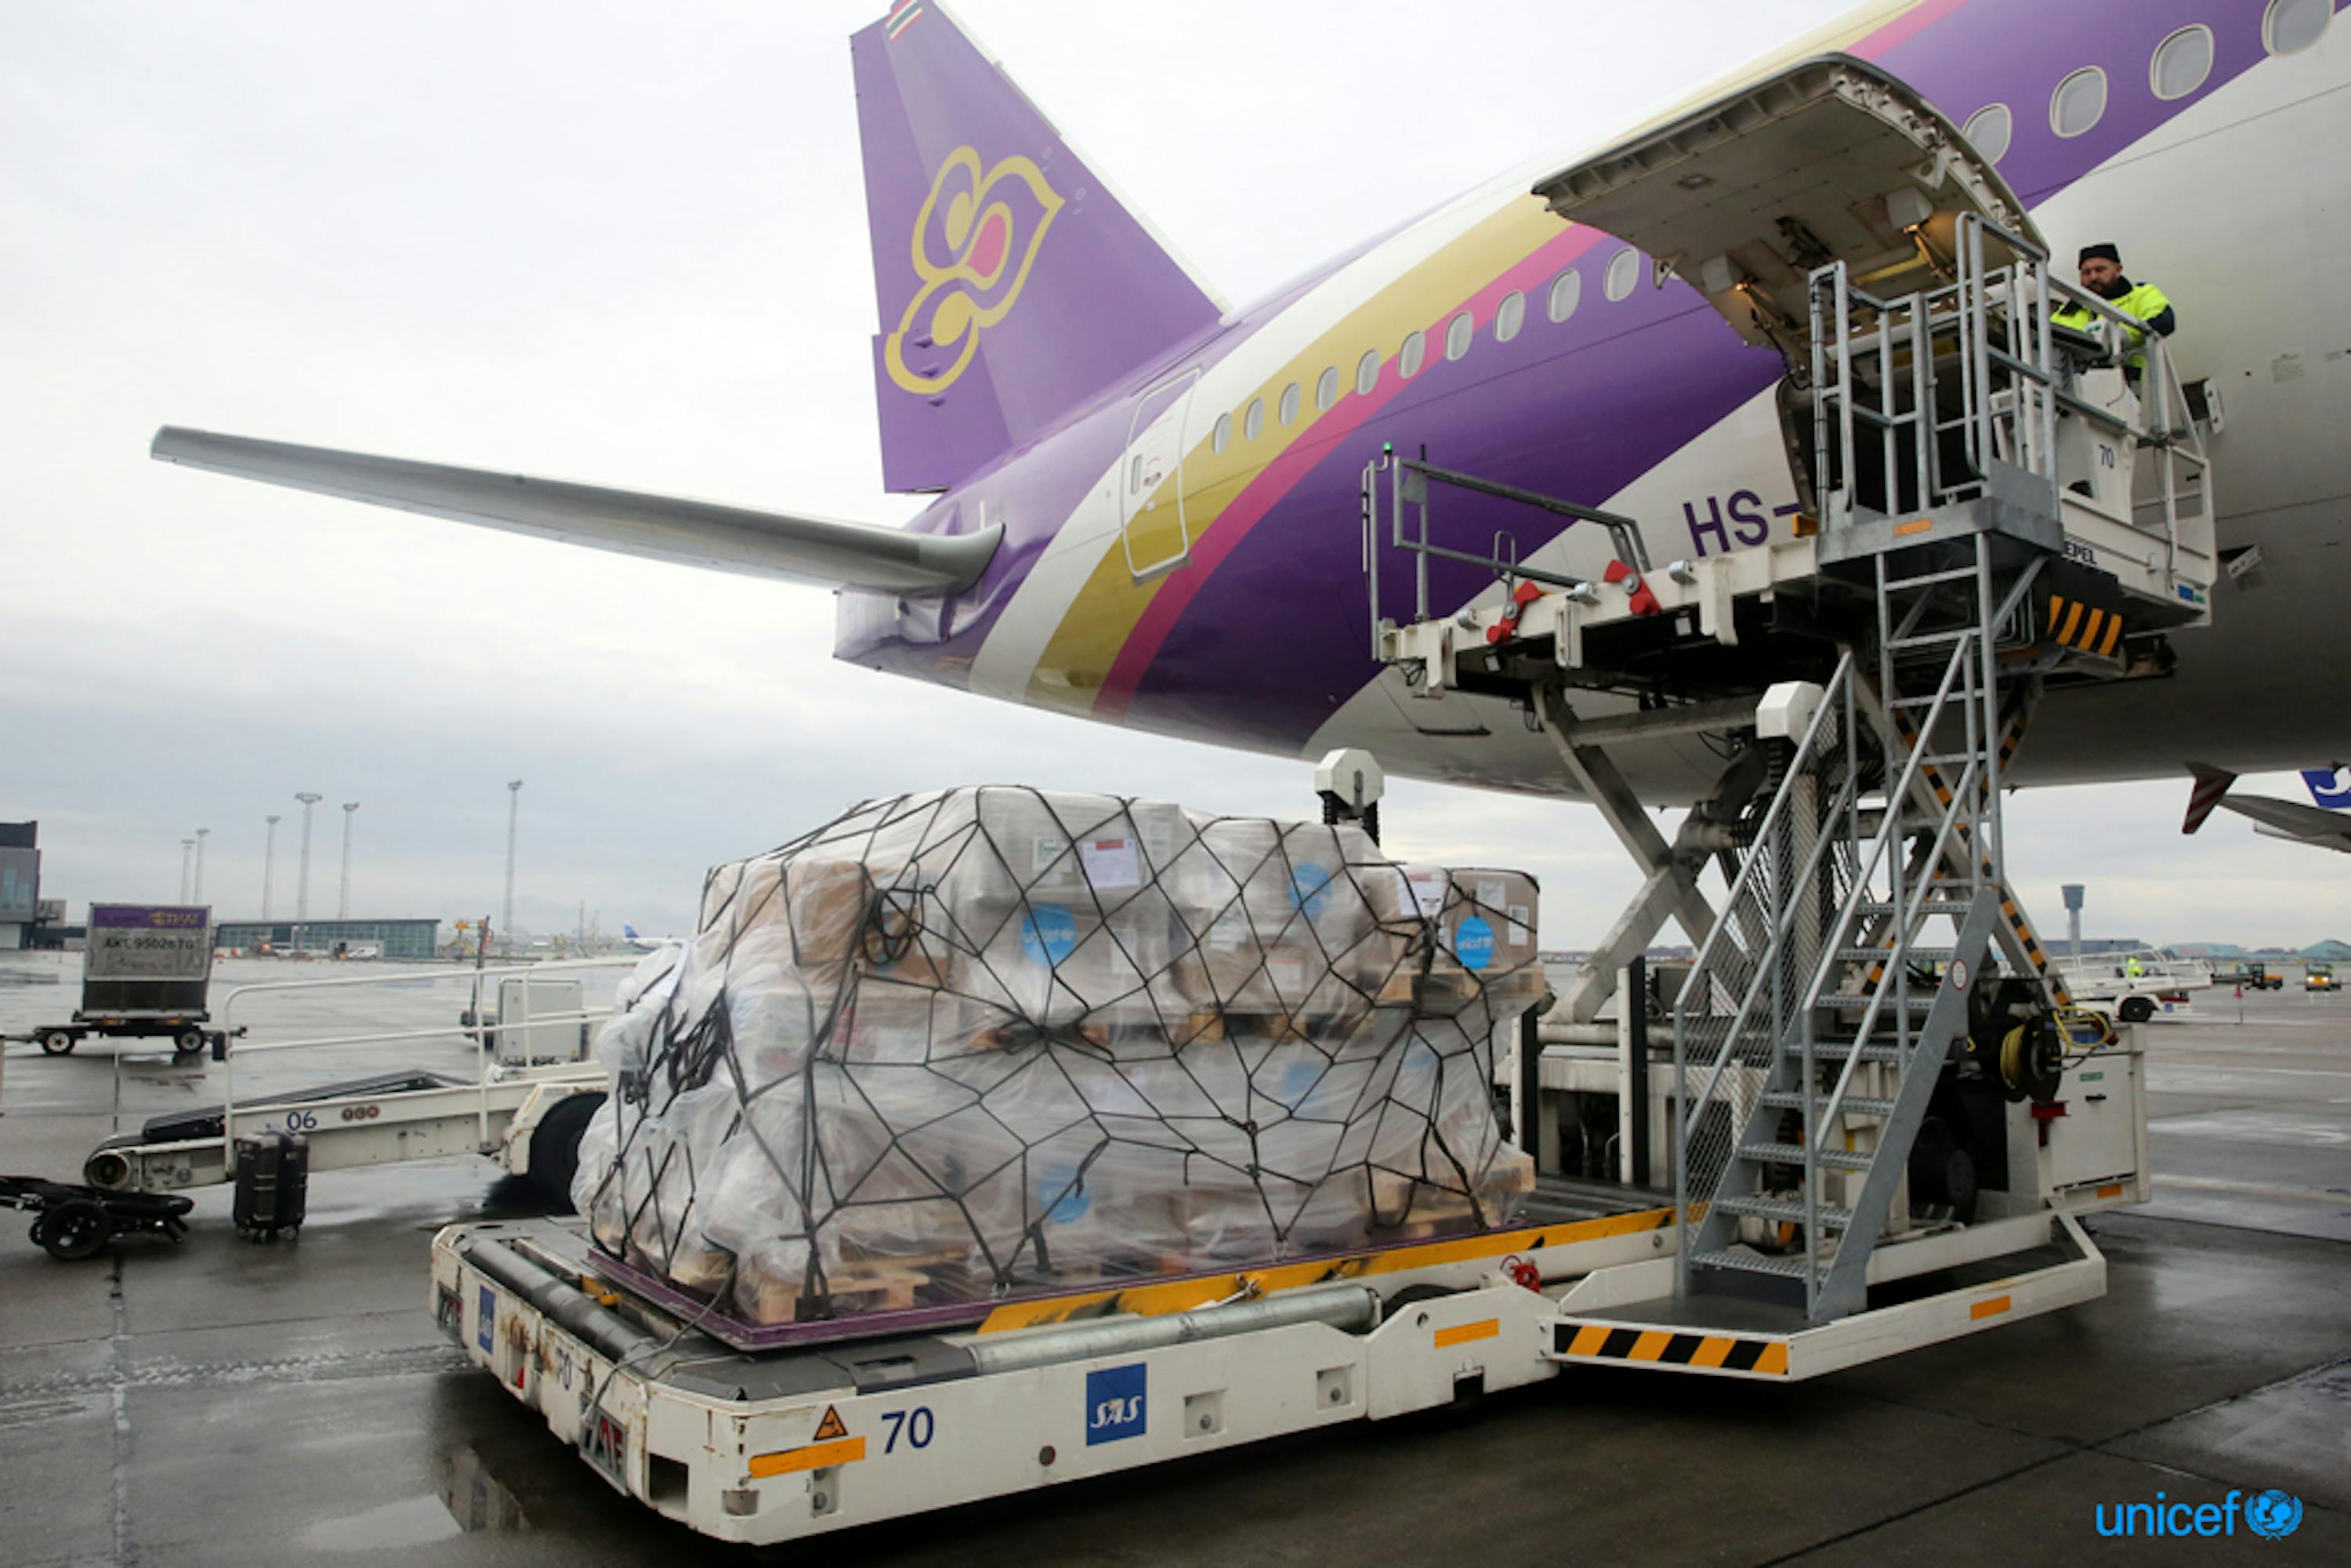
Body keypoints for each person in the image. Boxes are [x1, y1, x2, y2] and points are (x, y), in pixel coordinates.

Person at [2054, 243, 2176, 382]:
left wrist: (2121, 337)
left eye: (2100, 270)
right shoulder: (2066, 312)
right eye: (2086, 273)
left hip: (2130, 388)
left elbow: (2165, 321)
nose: (2093, 277)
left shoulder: (2141, 294)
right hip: (2076, 391)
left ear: (2118, 270)